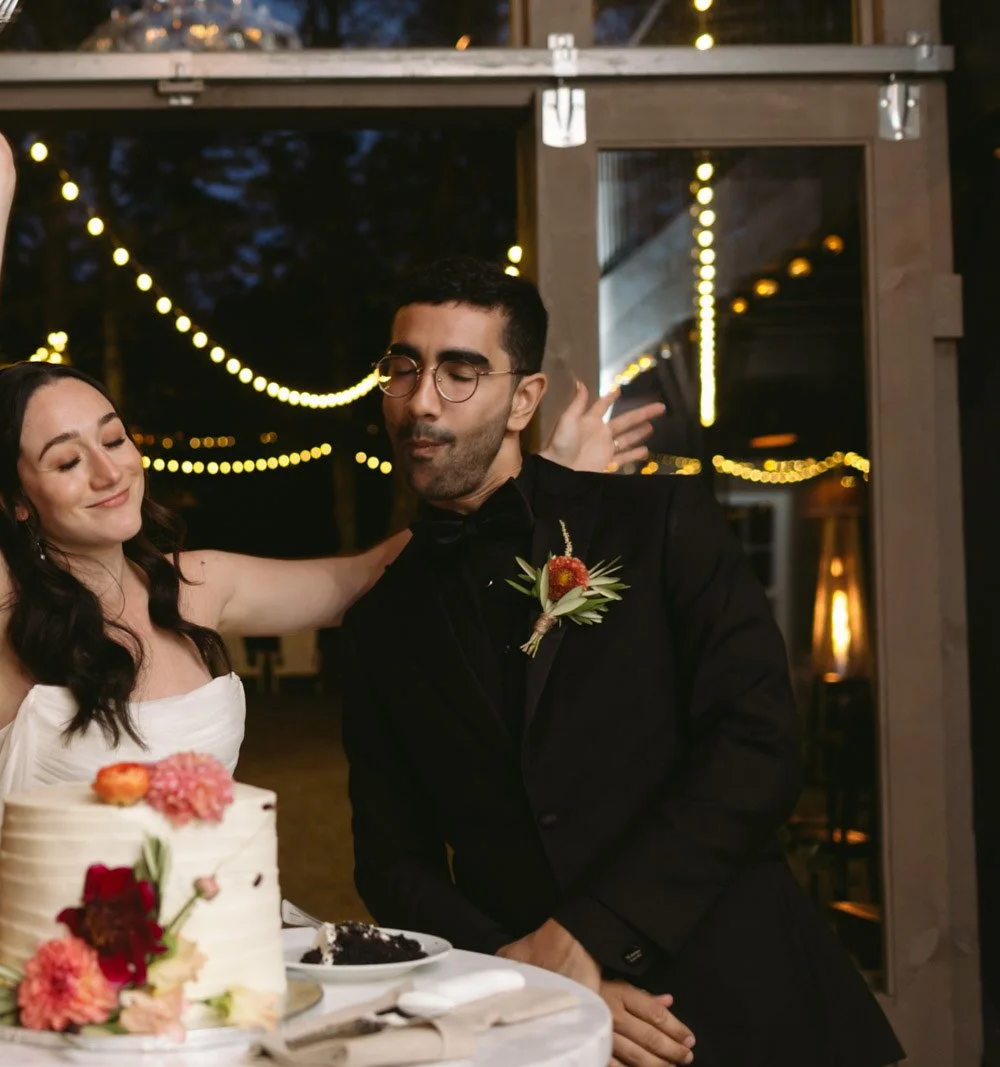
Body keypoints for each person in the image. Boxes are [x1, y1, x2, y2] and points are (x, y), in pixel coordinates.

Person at [0, 64, 660, 962]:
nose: (110, 470)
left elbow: (382, 569)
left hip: (219, 952)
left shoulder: (195, 587)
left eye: (114, 436)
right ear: (11, 501)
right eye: (67, 459)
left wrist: (545, 480)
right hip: (58, 975)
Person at [338, 255, 904, 1067]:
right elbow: (392, 861)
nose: (422, 400)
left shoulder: (658, 522)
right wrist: (527, 973)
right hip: (537, 1030)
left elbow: (757, 746)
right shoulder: (378, 623)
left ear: (523, 399)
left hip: (750, 999)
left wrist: (583, 936)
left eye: (461, 373)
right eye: (404, 368)